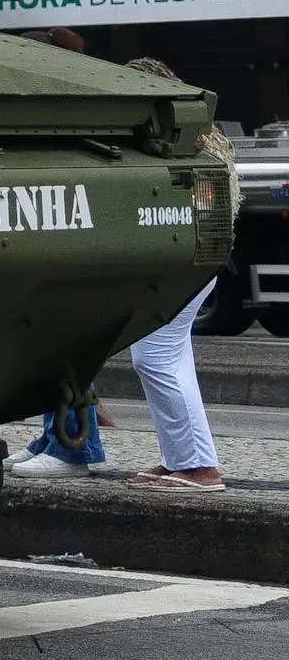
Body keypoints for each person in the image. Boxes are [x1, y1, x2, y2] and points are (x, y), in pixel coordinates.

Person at [118, 56, 225, 491]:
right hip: (199, 260)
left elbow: (201, 204)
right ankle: (184, 459)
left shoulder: (184, 142)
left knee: (155, 356)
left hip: (184, 263)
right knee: (171, 357)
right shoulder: (201, 136)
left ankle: (198, 467)